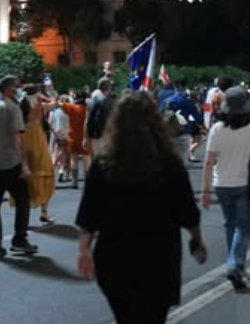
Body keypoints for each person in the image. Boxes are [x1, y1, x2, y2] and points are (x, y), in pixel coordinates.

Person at [76, 91, 206, 324]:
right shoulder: (169, 163)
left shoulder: (104, 163)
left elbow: (89, 212)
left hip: (114, 256)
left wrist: (84, 249)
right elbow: (186, 210)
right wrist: (197, 239)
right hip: (159, 257)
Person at [201, 86, 250, 290]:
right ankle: (235, 263)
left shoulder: (217, 129)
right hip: (245, 183)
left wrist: (205, 191)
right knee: (245, 226)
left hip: (221, 183)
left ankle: (237, 262)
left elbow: (208, 161)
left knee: (230, 223)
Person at [0, 75, 37, 259]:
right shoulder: (13, 108)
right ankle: (19, 239)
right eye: (16, 87)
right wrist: (25, 165)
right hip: (10, 163)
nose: (18, 90)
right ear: (8, 89)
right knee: (23, 200)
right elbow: (18, 138)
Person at [19, 86, 55, 224]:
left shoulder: (20, 106)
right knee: (46, 174)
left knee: (26, 179)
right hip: (38, 142)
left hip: (23, 141)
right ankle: (44, 212)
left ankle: (24, 215)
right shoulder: (39, 107)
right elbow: (54, 102)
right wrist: (47, 95)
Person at [163, 79, 204, 164]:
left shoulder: (166, 101)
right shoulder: (188, 101)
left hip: (169, 133)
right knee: (182, 162)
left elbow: (159, 115)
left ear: (174, 87)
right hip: (184, 132)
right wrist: (203, 127)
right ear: (185, 87)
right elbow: (198, 118)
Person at [85, 78, 114, 158]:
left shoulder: (92, 99)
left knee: (97, 158)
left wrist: (85, 137)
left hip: (95, 135)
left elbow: (87, 120)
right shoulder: (107, 101)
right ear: (108, 88)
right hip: (105, 136)